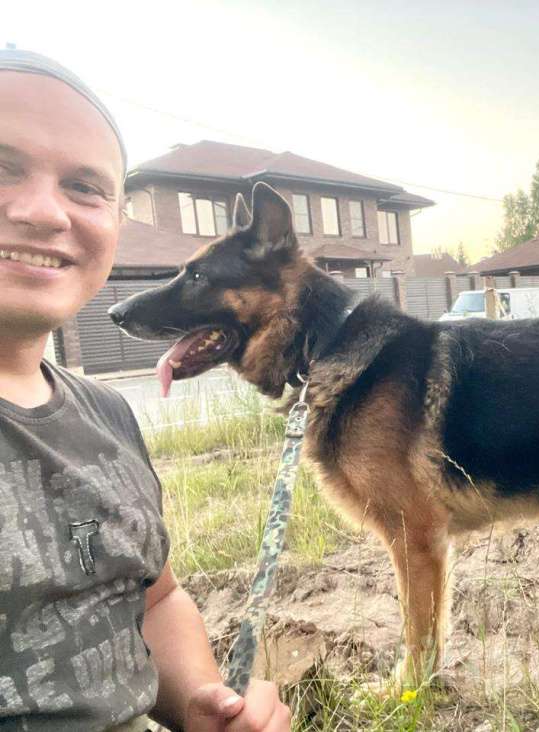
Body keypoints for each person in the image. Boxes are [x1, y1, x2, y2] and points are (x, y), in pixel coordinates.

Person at [0, 49, 291, 731]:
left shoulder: (107, 415)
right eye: (1, 167)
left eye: (84, 187)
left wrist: (199, 701)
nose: (45, 212)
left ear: (117, 218)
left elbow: (154, 601)